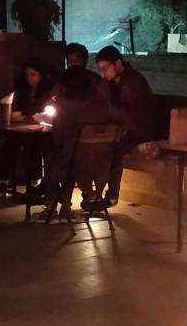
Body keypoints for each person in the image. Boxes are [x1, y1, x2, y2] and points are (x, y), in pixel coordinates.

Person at [38, 65, 126, 222]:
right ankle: (69, 203)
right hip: (101, 165)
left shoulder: (64, 103)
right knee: (71, 154)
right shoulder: (101, 101)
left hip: (76, 164)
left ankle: (54, 204)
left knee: (52, 154)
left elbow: (58, 138)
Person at [94, 46, 155, 209]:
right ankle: (95, 193)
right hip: (124, 129)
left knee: (114, 150)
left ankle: (111, 196)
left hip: (138, 131)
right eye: (101, 69)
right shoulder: (114, 82)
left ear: (118, 63)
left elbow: (130, 115)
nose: (103, 73)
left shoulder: (132, 82)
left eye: (105, 68)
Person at [0, 57, 55, 195]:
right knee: (10, 141)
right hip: (24, 127)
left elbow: (45, 112)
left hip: (44, 129)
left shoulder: (48, 89)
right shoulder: (23, 89)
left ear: (41, 75)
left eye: (33, 74)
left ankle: (35, 180)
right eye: (27, 75)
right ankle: (5, 180)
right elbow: (18, 109)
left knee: (32, 143)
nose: (30, 78)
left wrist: (28, 117)